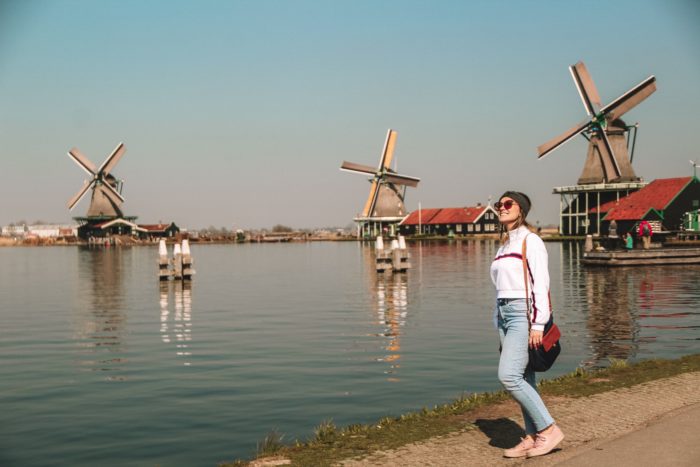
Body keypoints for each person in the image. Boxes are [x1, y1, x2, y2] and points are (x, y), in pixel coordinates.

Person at [490, 191, 564, 458]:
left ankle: (549, 429)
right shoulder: (503, 246)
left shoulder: (530, 241)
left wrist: (538, 324)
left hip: (523, 313)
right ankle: (533, 437)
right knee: (523, 376)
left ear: (521, 210)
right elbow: (500, 287)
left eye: (508, 204)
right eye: (499, 204)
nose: (502, 208)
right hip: (504, 314)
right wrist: (496, 318)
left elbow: (541, 284)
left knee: (508, 375)